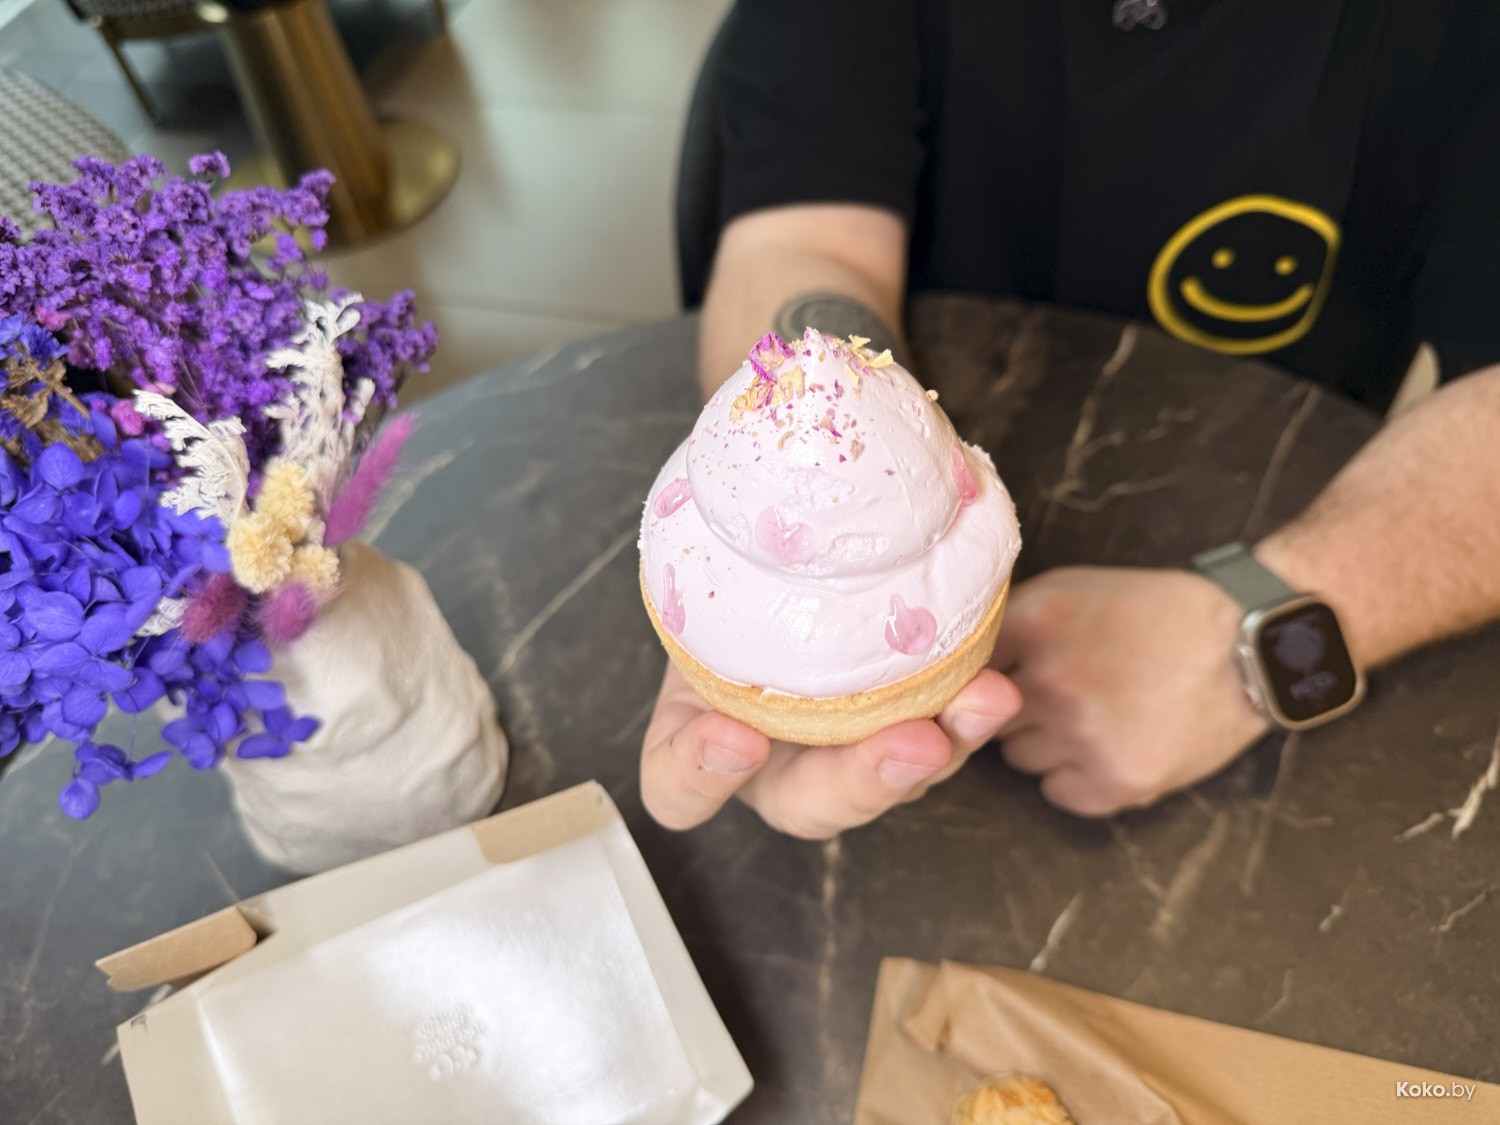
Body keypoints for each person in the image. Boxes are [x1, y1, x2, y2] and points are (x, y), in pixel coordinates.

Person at [639, 0, 1500, 839]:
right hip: (936, 490)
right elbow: (808, 238)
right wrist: (794, 496)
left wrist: (1258, 626)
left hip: (1293, 526)